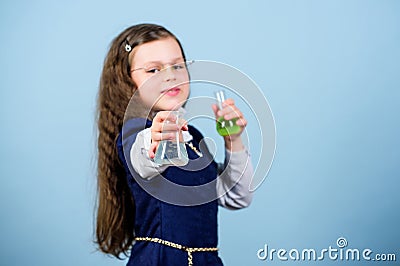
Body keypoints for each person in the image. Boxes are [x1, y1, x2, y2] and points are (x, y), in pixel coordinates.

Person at [96, 23, 254, 266]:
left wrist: (233, 140)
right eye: (153, 70)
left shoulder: (194, 136)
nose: (170, 75)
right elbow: (144, 160)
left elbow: (237, 196)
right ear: (127, 83)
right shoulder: (136, 134)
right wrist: (158, 135)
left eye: (178, 65)